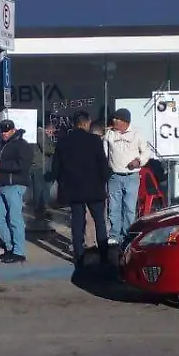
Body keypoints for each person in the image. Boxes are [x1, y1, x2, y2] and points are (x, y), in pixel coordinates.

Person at [52, 111, 110, 266]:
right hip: (94, 188)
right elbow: (103, 165)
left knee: (77, 221)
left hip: (74, 188)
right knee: (99, 221)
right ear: (86, 123)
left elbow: (56, 168)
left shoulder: (63, 142)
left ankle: (79, 255)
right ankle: (104, 253)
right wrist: (104, 180)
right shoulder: (95, 141)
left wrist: (63, 183)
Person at [103, 108, 153, 244]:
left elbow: (146, 152)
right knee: (114, 207)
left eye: (117, 119)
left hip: (131, 176)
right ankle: (114, 235)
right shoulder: (109, 134)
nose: (114, 121)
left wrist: (138, 161)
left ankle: (128, 235)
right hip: (114, 176)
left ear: (125, 121)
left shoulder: (137, 133)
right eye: (114, 118)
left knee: (129, 208)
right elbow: (105, 153)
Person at [0, 119, 33, 263]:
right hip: (4, 185)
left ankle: (19, 251)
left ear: (13, 130)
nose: (4, 133)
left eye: (7, 131)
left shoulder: (22, 144)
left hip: (15, 185)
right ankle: (10, 247)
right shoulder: (4, 146)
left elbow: (22, 165)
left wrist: (0, 166)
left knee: (14, 218)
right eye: (2, 131)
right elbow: (4, 166)